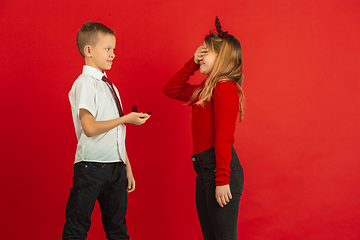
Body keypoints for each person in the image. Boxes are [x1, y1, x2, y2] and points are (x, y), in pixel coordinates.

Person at [62, 21, 150, 240]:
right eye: (108, 49)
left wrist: (126, 166)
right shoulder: (85, 82)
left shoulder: (109, 85)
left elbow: (116, 134)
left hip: (115, 168)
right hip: (91, 167)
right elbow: (89, 128)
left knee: (118, 231)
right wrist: (126, 119)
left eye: (114, 49)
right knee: (77, 228)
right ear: (88, 50)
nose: (113, 54)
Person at [163, 17, 245, 240]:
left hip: (219, 171)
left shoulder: (225, 87)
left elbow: (224, 136)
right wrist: (192, 61)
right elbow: (171, 89)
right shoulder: (205, 89)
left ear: (221, 57)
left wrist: (222, 180)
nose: (200, 55)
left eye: (205, 51)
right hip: (203, 170)